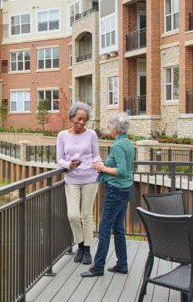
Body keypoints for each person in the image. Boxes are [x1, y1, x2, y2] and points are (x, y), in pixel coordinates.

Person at [81, 112, 135, 277]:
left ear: (117, 129)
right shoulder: (128, 143)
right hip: (125, 190)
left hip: (116, 190)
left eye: (111, 126)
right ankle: (122, 264)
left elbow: (122, 171)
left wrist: (102, 168)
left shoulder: (118, 146)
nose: (109, 128)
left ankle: (98, 267)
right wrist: (103, 165)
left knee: (104, 229)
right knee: (118, 228)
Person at [56, 102, 101, 265]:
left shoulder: (91, 134)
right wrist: (68, 165)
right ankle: (80, 244)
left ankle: (86, 250)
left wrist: (96, 165)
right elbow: (59, 158)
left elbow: (96, 155)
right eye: (79, 119)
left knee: (86, 215)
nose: (82, 122)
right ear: (72, 118)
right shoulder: (62, 136)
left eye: (85, 120)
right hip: (72, 180)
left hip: (90, 179)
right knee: (73, 215)